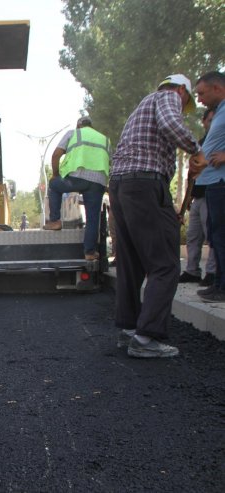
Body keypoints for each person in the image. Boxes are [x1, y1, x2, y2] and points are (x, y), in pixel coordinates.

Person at [110, 74, 205, 358]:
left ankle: (128, 329)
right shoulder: (167, 97)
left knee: (132, 262)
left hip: (121, 184)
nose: (184, 104)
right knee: (165, 264)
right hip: (145, 184)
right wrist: (196, 150)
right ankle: (147, 337)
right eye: (187, 99)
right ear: (180, 90)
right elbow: (171, 125)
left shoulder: (141, 107)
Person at [43, 116, 110, 261]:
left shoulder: (73, 133)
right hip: (98, 181)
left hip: (77, 178)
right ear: (91, 126)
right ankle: (89, 253)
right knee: (93, 218)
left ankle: (55, 221)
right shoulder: (104, 139)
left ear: (79, 125)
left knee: (54, 186)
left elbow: (56, 155)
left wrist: (55, 174)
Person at [193, 71, 225, 303]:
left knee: (222, 236)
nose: (199, 99)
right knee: (215, 237)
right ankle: (218, 283)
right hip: (211, 183)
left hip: (221, 183)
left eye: (202, 93)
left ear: (217, 88)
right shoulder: (219, 113)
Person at [179, 108, 216, 286]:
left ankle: (213, 272)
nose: (212, 123)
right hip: (197, 195)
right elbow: (192, 172)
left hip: (212, 193)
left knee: (212, 235)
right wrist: (187, 198)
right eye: (209, 120)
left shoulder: (219, 142)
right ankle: (192, 270)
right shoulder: (201, 143)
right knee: (194, 236)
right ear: (204, 121)